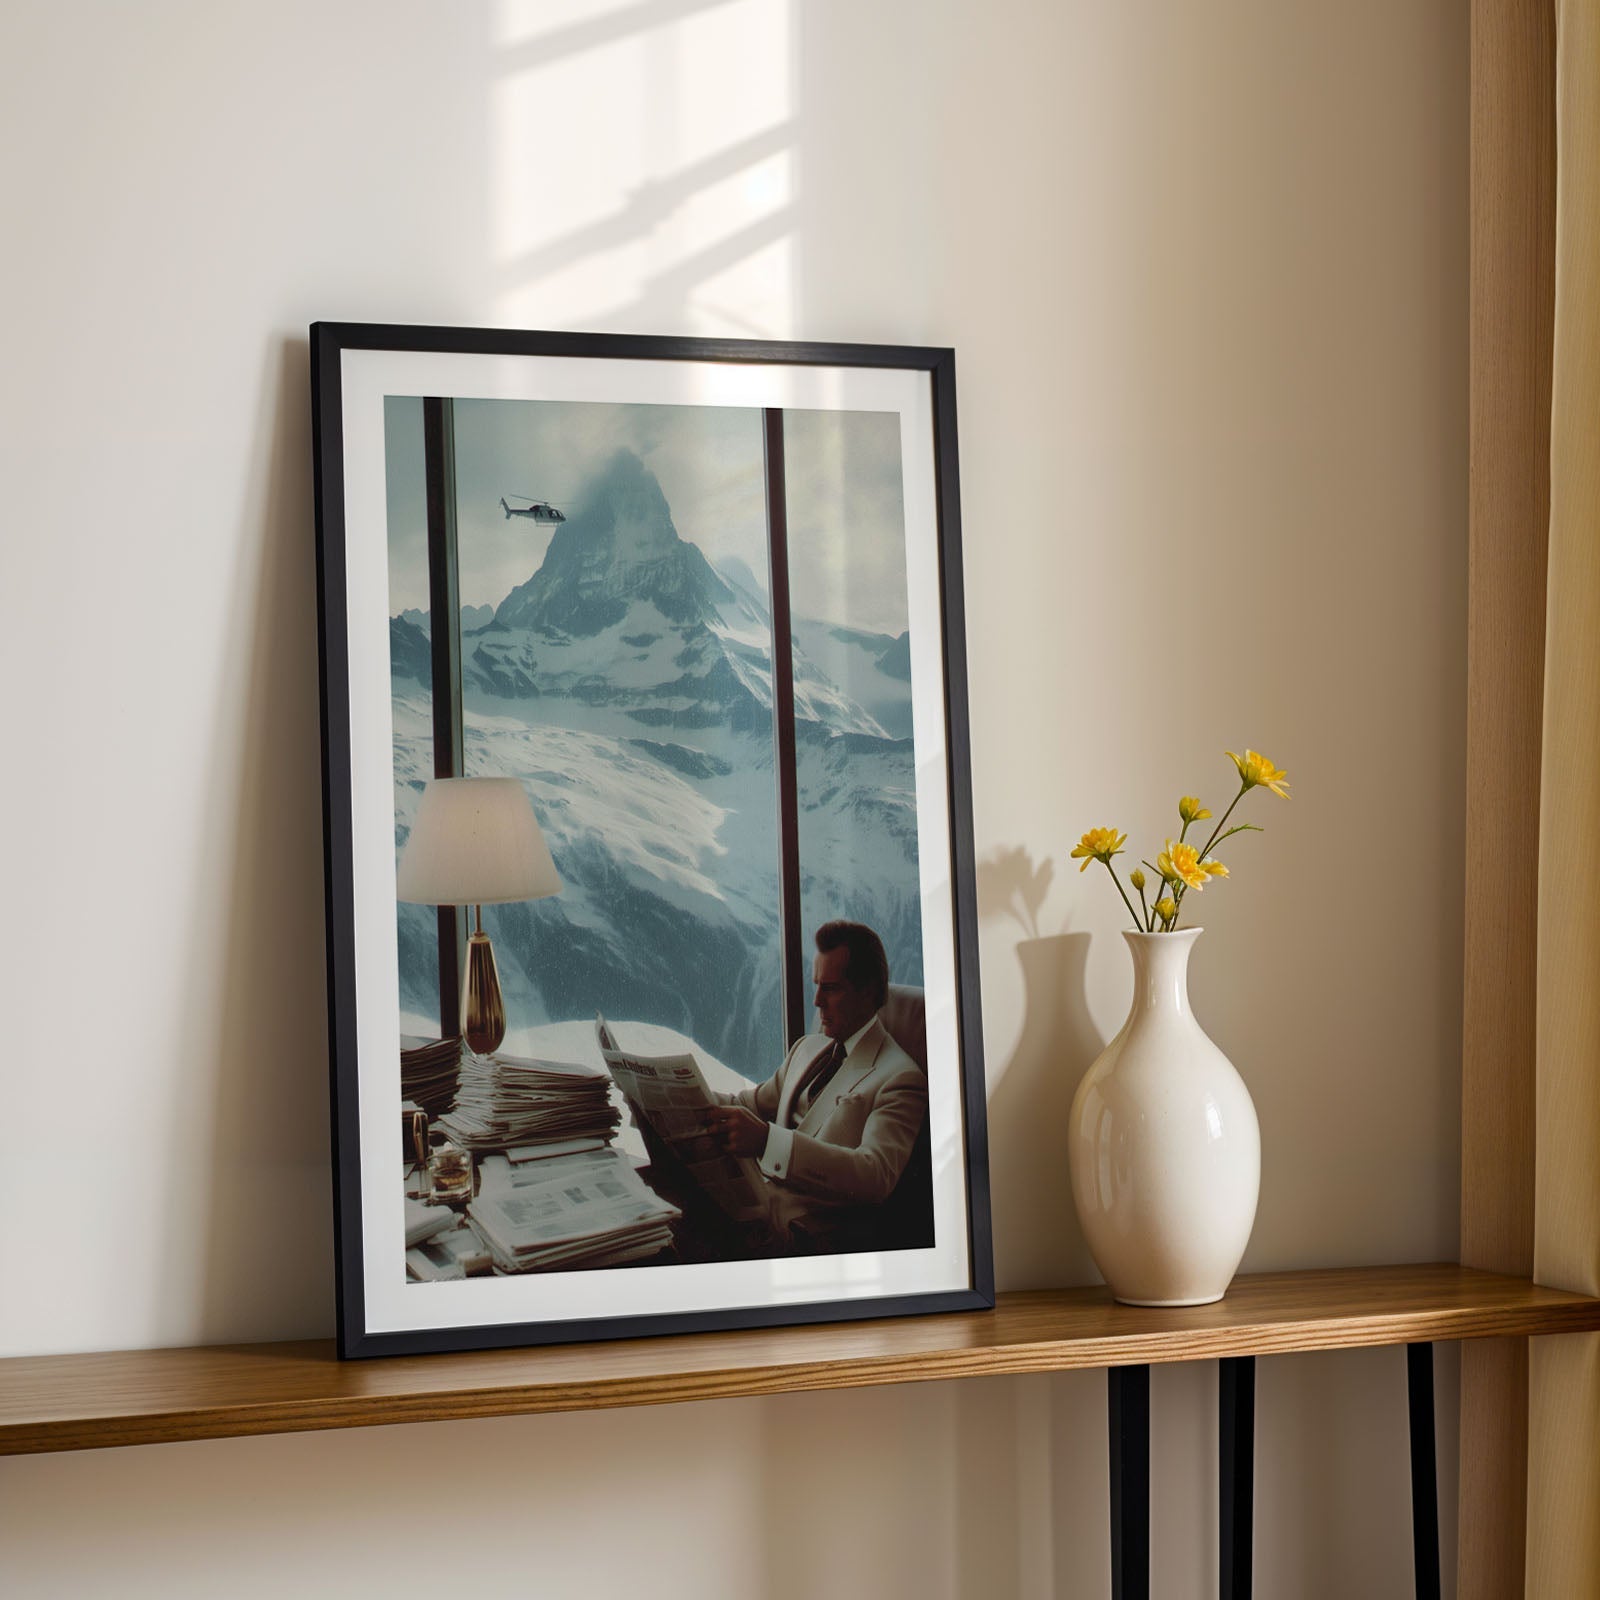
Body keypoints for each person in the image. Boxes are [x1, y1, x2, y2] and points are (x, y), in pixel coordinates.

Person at [704, 920, 928, 1252]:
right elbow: (747, 1104)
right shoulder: (805, 1050)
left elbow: (876, 1174)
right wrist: (681, 1097)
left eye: (832, 988)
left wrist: (769, 1142)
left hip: (803, 1237)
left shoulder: (900, 1078)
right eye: (816, 985)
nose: (817, 1001)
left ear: (867, 990)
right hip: (752, 1211)